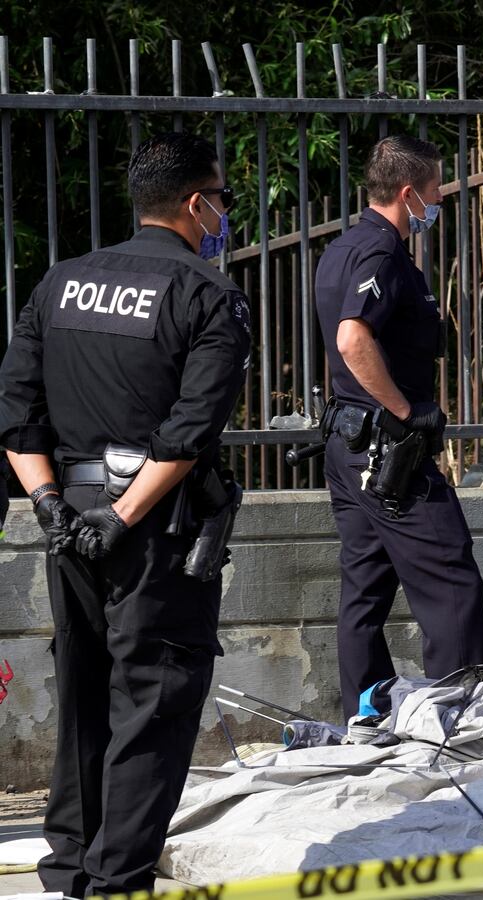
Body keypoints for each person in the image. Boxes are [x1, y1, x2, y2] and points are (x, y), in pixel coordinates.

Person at [0, 133, 250, 894]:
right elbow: (189, 431)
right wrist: (126, 514)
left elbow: (17, 413)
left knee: (84, 689)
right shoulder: (207, 294)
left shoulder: (63, 282)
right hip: (151, 525)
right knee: (155, 698)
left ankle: (71, 867)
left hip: (66, 517)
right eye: (223, 200)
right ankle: (117, 881)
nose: (223, 217)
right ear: (195, 202)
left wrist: (48, 504)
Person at [313, 135, 483, 718]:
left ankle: (367, 716)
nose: (439, 200)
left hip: (347, 443)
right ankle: (463, 718)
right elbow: (352, 338)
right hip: (386, 449)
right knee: (449, 577)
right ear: (411, 192)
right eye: (437, 188)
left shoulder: (341, 247)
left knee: (364, 586)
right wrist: (405, 412)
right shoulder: (383, 254)